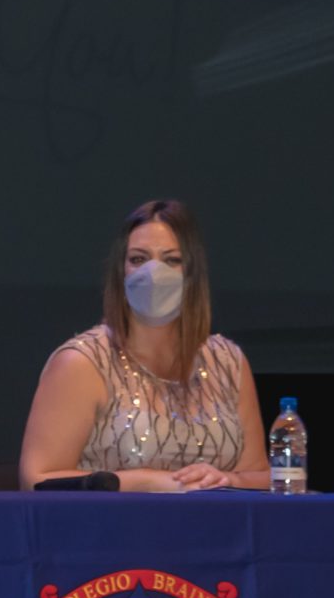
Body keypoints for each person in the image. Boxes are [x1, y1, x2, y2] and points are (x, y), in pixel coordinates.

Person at [19, 200, 268, 492]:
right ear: (121, 271)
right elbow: (37, 480)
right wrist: (151, 481)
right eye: (138, 259)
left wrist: (227, 480)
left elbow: (264, 477)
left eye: (171, 260)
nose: (153, 273)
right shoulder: (83, 363)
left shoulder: (228, 362)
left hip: (216, 522)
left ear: (192, 273)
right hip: (112, 522)